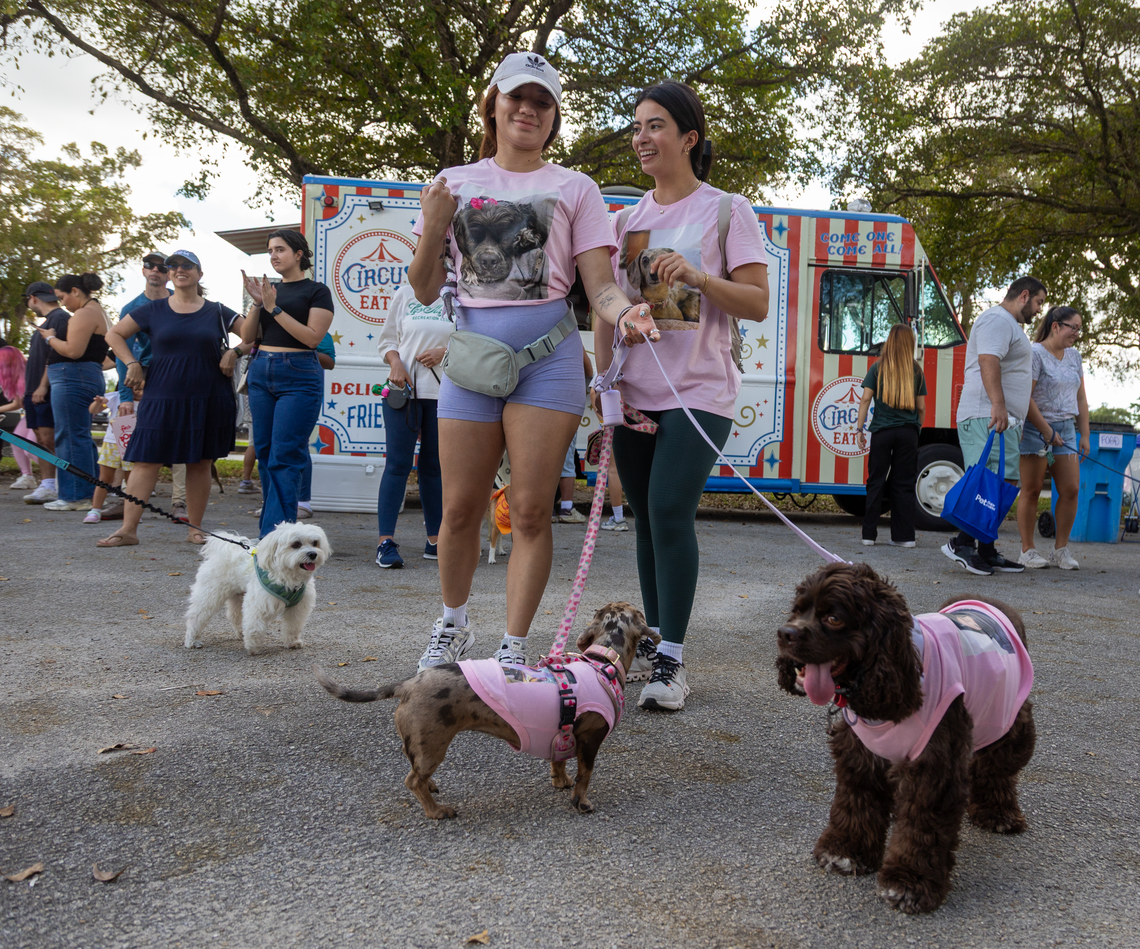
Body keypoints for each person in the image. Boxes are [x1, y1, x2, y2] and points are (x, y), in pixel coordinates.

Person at [408, 51, 658, 671]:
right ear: (492, 104)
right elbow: (421, 287)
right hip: (473, 362)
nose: (528, 109)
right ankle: (453, 625)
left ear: (554, 117)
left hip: (547, 360)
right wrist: (434, 222)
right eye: (517, 97)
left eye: (542, 101)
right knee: (461, 506)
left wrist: (624, 311)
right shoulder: (453, 182)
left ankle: (514, 649)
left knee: (528, 509)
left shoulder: (577, 189)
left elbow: (598, 287)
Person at [608, 80, 770, 710]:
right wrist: (606, 386)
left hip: (700, 390)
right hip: (634, 388)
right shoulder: (626, 223)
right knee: (646, 519)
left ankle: (672, 660)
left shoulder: (727, 210)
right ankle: (653, 644)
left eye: (654, 126)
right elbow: (606, 307)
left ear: (688, 137)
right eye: (637, 127)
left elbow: (755, 302)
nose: (642, 138)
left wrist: (700, 276)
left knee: (670, 510)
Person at [97, 250, 242, 547]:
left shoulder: (217, 310)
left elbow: (257, 334)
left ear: (199, 274)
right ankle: (128, 530)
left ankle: (196, 528)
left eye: (186, 265)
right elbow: (113, 335)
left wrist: (235, 351)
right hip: (161, 395)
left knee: (200, 462)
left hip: (208, 396)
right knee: (145, 460)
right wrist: (133, 362)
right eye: (173, 266)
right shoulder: (154, 309)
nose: (178, 270)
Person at [941, 276, 1050, 576]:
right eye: (1039, 302)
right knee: (984, 481)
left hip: (1005, 421)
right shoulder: (997, 320)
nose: (1040, 310)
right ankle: (961, 544)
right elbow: (988, 360)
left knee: (1004, 483)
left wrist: (1016, 417)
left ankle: (986, 549)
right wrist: (998, 404)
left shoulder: (1012, 326)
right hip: (984, 414)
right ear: (1024, 296)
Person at [238, 230, 334, 537]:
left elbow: (312, 338)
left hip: (298, 372)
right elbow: (248, 337)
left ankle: (272, 535)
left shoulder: (317, 291)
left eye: (280, 249)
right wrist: (257, 304)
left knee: (285, 455)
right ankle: (277, 529)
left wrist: (274, 309)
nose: (274, 256)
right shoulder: (269, 292)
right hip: (262, 370)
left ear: (299, 254)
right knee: (264, 453)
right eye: (270, 251)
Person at [373, 285, 453, 568]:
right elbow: (387, 341)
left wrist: (446, 351)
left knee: (434, 468)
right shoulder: (405, 293)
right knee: (397, 465)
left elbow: (474, 340)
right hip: (402, 391)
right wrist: (395, 364)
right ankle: (385, 543)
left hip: (447, 392)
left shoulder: (461, 294)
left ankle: (435, 541)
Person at [1016, 306, 1090, 570]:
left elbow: (1081, 397)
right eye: (1073, 327)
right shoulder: (1035, 353)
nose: (1077, 334)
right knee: (1033, 489)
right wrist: (1047, 430)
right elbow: (1026, 395)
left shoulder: (1074, 356)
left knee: (1070, 489)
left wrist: (1085, 434)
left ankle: (1061, 550)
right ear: (1056, 326)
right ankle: (1027, 550)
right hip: (1036, 427)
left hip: (1067, 429)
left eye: (1079, 329)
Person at [38, 273, 111, 512]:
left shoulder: (84, 313)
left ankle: (74, 496)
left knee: (69, 436)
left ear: (75, 291)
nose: (62, 304)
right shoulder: (97, 310)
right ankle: (88, 492)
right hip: (83, 377)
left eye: (62, 297)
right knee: (79, 436)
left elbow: (73, 351)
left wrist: (50, 339)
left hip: (73, 377)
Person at [855, 323, 927, 547]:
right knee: (903, 484)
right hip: (908, 433)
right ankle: (904, 537)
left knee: (876, 482)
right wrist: (917, 427)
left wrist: (859, 429)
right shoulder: (916, 370)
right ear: (909, 344)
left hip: (882, 433)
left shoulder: (877, 368)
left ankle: (869, 536)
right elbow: (921, 407)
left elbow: (865, 400)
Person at [20, 283, 69, 503]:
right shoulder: (45, 322)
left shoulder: (60, 318)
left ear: (33, 298)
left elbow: (55, 355)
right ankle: (47, 484)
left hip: (46, 389)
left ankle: (60, 484)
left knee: (50, 439)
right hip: (32, 390)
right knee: (40, 439)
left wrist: (43, 385)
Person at [0, 344, 38, 489]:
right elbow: (17, 404)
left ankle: (61, 477)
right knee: (16, 440)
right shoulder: (17, 377)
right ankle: (27, 476)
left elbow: (17, 404)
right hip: (30, 414)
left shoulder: (30, 375)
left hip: (40, 413)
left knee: (32, 449)